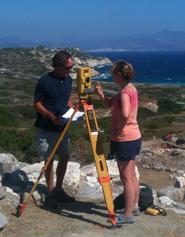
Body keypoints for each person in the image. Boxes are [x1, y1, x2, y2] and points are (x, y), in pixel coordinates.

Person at [95, 60, 142, 224]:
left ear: (118, 75)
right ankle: (134, 207)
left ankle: (127, 214)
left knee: (126, 177)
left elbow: (126, 113)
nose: (111, 75)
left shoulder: (124, 93)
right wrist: (100, 93)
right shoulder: (130, 89)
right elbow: (109, 103)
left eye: (112, 73)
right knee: (132, 175)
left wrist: (118, 129)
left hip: (125, 138)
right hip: (134, 137)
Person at [33, 50, 75, 203]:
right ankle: (50, 193)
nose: (70, 70)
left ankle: (59, 189)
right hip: (46, 128)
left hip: (62, 127)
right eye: (68, 68)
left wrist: (72, 111)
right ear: (58, 66)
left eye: (71, 67)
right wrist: (51, 116)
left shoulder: (69, 80)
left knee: (64, 157)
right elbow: (36, 103)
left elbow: (67, 100)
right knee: (49, 160)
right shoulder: (45, 81)